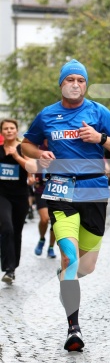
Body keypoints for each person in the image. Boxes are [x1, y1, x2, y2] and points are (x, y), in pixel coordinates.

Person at [22, 59, 110, 351]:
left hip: (94, 192)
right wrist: (41, 152)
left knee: (85, 266)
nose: (75, 84)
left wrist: (101, 138)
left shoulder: (99, 112)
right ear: (61, 84)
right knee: (70, 258)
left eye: (80, 80)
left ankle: (66, 280)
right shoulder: (47, 115)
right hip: (61, 190)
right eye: (69, 79)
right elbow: (27, 145)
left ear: (86, 85)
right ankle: (74, 329)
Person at [0, 119, 35, 284]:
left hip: (20, 196)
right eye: (5, 128)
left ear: (16, 130)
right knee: (6, 227)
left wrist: (16, 155)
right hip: (2, 196)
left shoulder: (23, 148)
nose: (8, 131)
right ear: (2, 132)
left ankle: (13, 267)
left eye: (11, 128)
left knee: (16, 231)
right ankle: (8, 268)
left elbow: (31, 167)